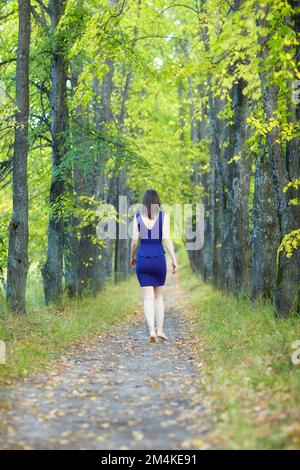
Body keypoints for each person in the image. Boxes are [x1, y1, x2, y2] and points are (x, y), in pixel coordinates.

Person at [130, 189, 178, 343]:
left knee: (147, 298)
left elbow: (134, 242)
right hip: (158, 259)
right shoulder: (164, 217)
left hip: (143, 260)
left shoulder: (137, 218)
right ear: (158, 202)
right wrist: (174, 259)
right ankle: (160, 330)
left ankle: (151, 330)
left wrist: (132, 256)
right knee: (158, 297)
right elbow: (167, 239)